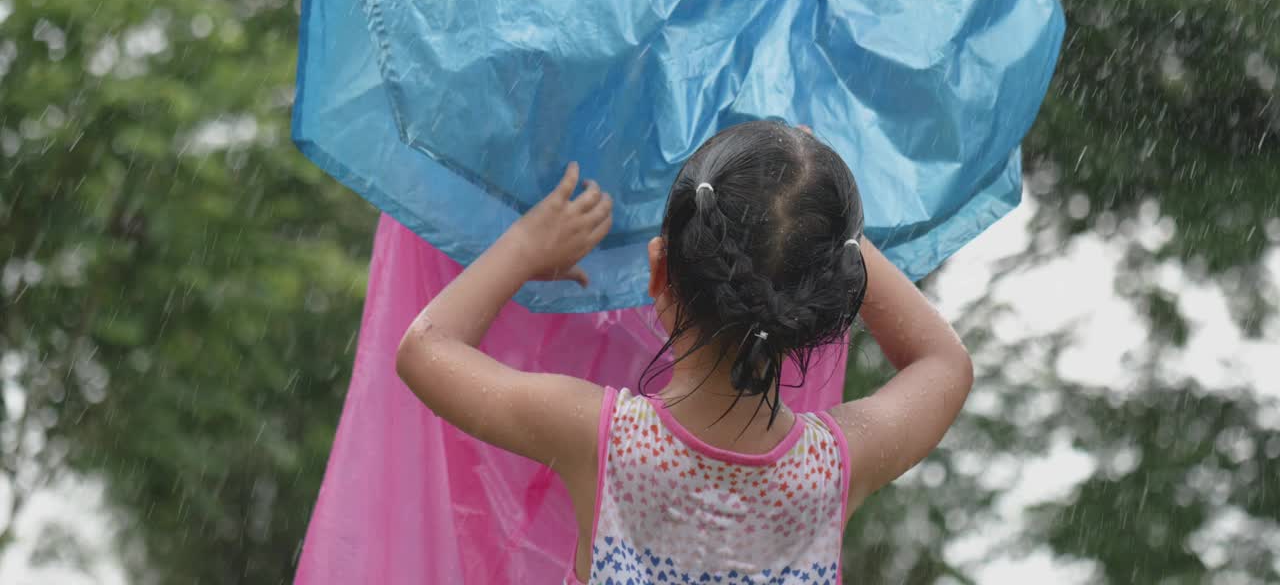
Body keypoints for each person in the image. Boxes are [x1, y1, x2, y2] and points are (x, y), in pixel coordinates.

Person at [396, 121, 974, 584]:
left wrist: (525, 246)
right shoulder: (835, 470)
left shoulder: (600, 440)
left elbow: (425, 349)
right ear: (826, 298)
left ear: (658, 272)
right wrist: (824, 229)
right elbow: (944, 363)